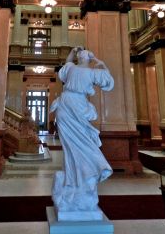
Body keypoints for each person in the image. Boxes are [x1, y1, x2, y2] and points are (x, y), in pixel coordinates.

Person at [50, 46, 114, 219]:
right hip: (70, 106)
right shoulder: (84, 70)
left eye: (80, 54)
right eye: (80, 54)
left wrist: (99, 62)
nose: (80, 55)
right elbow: (108, 81)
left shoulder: (86, 71)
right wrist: (100, 63)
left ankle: (85, 176)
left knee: (80, 145)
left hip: (70, 105)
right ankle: (75, 182)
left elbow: (109, 81)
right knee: (73, 147)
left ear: (84, 56)